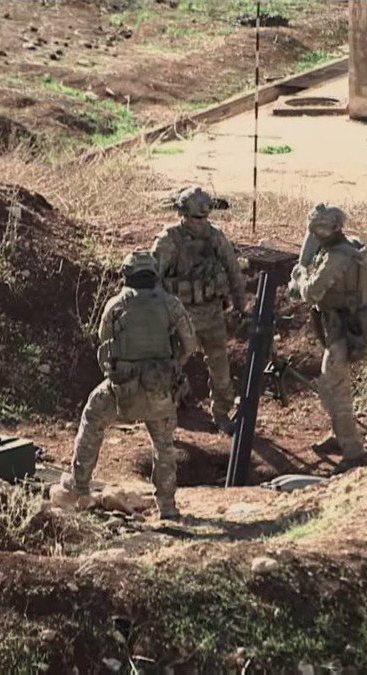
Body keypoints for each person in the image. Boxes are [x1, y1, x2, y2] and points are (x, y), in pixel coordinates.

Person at [59, 251, 198, 518]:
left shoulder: (116, 305)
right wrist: (170, 365)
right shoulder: (172, 304)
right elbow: (190, 344)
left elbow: (103, 341)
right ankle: (167, 508)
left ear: (127, 275)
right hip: (160, 391)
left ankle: (79, 486)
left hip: (123, 390)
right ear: (154, 275)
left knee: (93, 416)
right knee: (165, 446)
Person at [151, 186, 246, 434]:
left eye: (204, 218)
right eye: (195, 218)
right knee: (172, 364)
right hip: (181, 316)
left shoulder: (215, 237)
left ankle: (222, 412)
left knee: (220, 366)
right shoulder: (169, 240)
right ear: (183, 214)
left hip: (212, 313)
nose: (200, 223)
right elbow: (153, 277)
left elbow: (233, 271)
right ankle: (167, 410)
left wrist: (239, 305)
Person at [288, 204, 367, 474]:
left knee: (334, 387)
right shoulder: (343, 248)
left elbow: (312, 291)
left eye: (321, 228)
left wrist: (299, 275)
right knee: (331, 384)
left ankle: (353, 451)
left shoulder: (338, 255)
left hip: (345, 329)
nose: (317, 233)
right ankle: (340, 437)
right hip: (341, 326)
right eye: (315, 228)